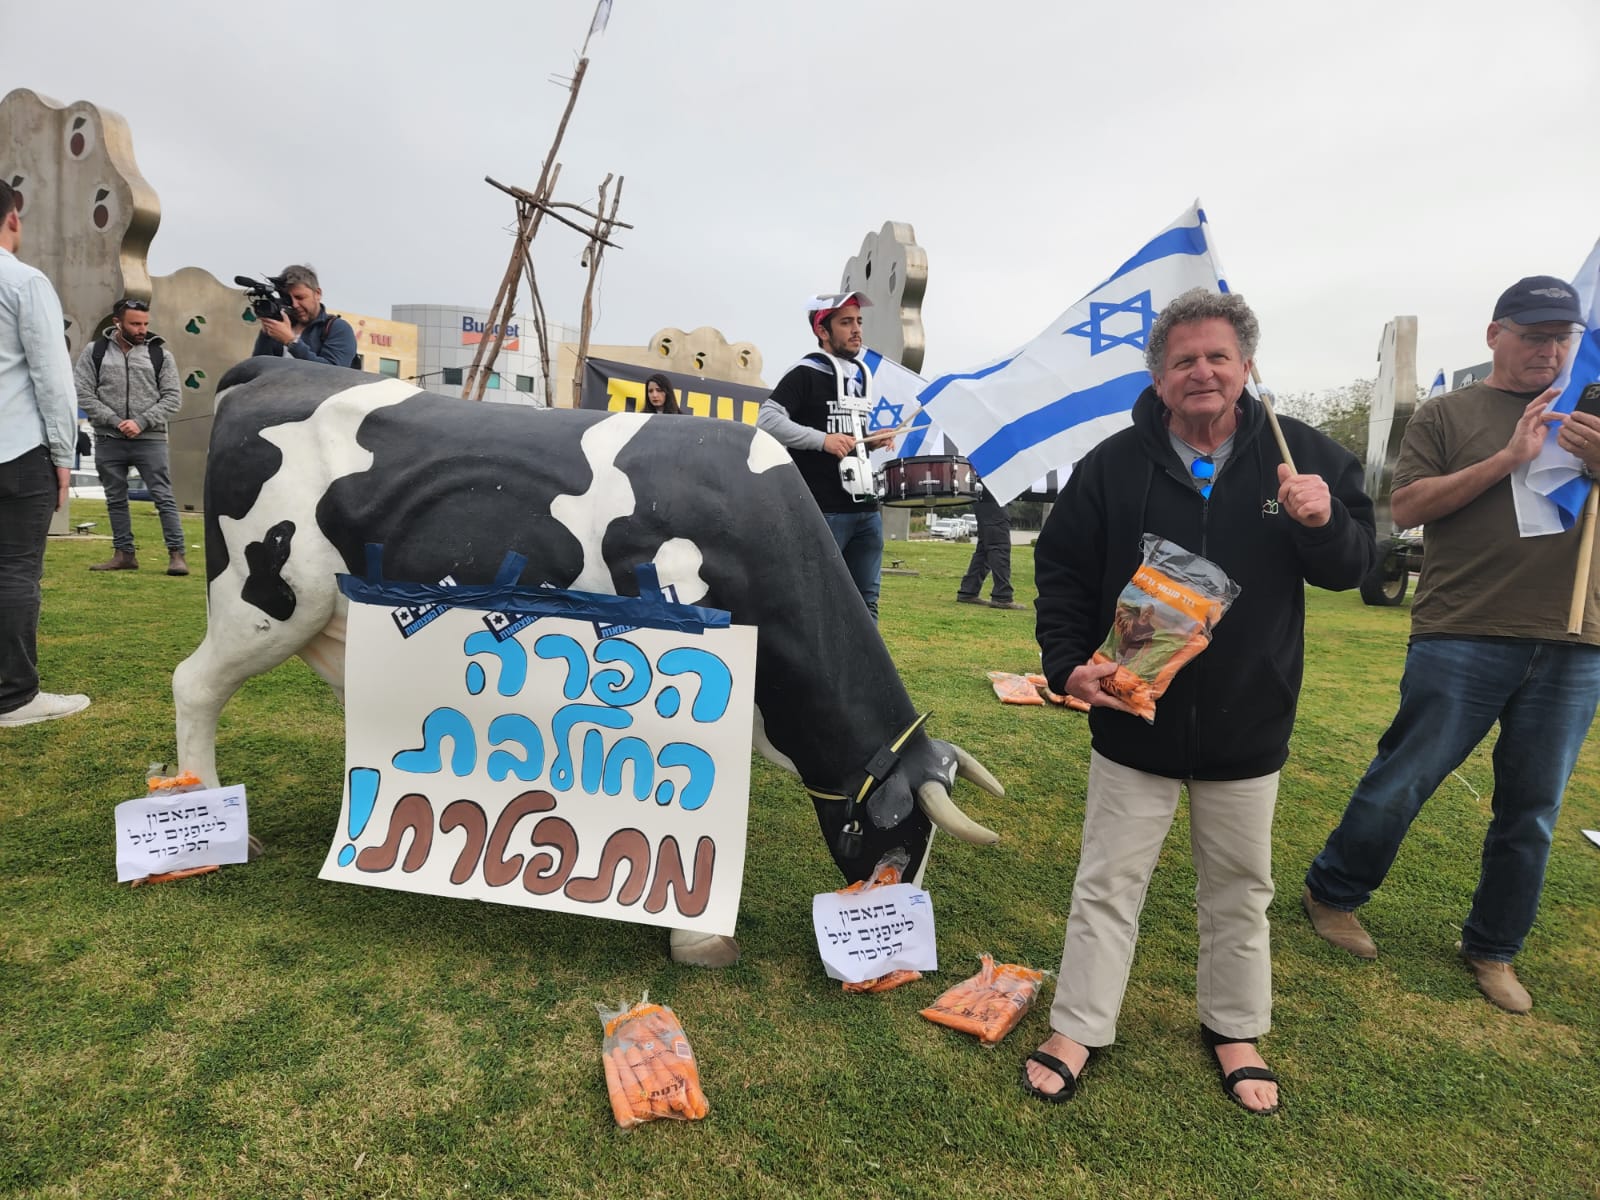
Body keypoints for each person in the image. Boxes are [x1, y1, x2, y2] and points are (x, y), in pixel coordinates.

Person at [1025, 289, 1376, 1114]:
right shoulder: (1112, 464)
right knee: (1108, 882)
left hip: (1249, 720)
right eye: (1183, 360)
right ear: (1157, 378)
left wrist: (1322, 521)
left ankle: (1234, 1026)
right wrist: (1066, 662)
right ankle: (1078, 1024)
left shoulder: (1300, 457)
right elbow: (1063, 571)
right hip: (1131, 716)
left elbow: (1353, 567)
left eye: (1218, 356)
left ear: (1247, 367)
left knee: (1240, 886)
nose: (1203, 372)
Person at [1303, 275, 1600, 1015]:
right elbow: (1405, 507)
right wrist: (1510, 457)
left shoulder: (1590, 413)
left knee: (1532, 807)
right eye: (1532, 333)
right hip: (1463, 627)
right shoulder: (1448, 413)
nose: (1549, 348)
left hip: (1575, 638)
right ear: (1495, 334)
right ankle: (1333, 893)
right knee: (1405, 776)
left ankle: (1494, 947)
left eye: (1561, 336)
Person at [0, 179, 90, 727]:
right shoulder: (23, 281)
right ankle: (14, 696)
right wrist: (63, 455)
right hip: (16, 449)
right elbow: (53, 379)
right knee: (14, 570)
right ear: (13, 218)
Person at [757, 292, 893, 620]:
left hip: (866, 509)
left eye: (858, 321)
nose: (856, 329)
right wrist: (822, 440)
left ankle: (862, 672)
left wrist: (869, 442)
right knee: (817, 601)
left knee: (866, 605)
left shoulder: (859, 377)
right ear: (823, 331)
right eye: (846, 322)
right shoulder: (805, 372)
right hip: (823, 509)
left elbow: (847, 436)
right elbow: (767, 419)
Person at [75, 298, 188, 575]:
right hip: (108, 438)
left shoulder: (161, 355)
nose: (142, 329)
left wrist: (140, 422)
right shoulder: (95, 352)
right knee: (115, 498)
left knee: (163, 497)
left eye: (145, 324)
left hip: (150, 439)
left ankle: (177, 556)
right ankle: (124, 553)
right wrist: (114, 421)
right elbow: (82, 392)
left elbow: (173, 398)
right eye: (135, 324)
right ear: (118, 323)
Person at [250, 264, 357, 367]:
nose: (295, 305)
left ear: (317, 294)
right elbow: (258, 368)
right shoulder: (281, 325)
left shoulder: (337, 328)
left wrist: (291, 342)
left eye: (300, 297)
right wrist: (266, 334)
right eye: (288, 299)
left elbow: (333, 372)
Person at [955, 484, 1024, 609]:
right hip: (993, 498)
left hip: (985, 498)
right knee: (999, 546)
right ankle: (1002, 596)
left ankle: (968, 591)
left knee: (984, 549)